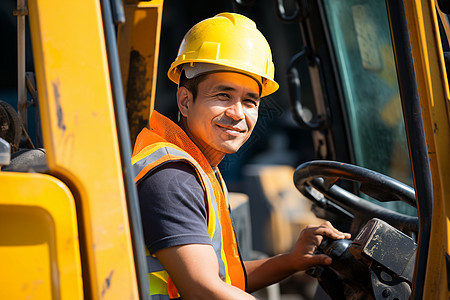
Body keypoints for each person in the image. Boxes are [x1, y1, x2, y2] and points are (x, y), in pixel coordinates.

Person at [132, 12, 350, 299]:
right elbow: (203, 290)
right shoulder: (172, 177)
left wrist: (291, 260)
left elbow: (221, 279)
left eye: (250, 101)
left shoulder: (199, 167)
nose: (237, 114)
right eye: (223, 96)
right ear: (185, 101)